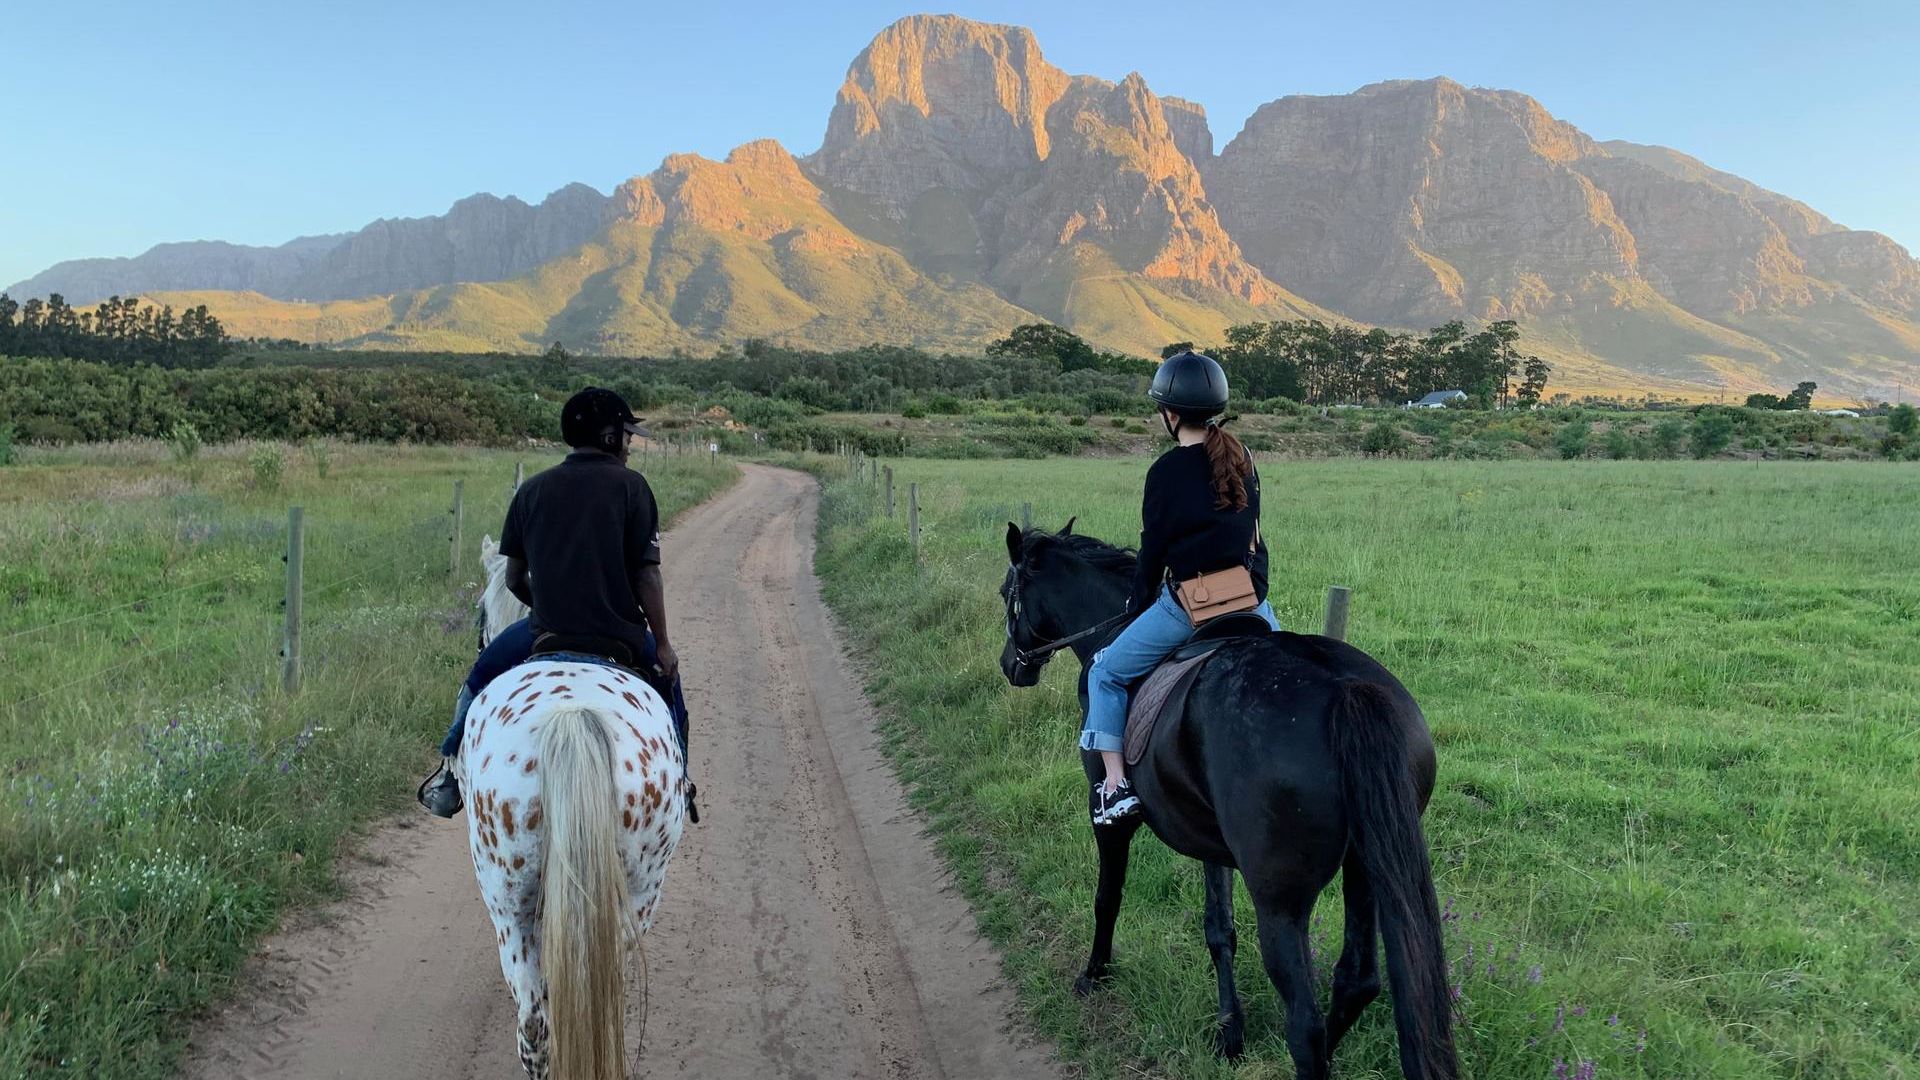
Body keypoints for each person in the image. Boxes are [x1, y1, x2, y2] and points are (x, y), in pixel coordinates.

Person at [418, 386, 691, 817]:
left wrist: (546, 604)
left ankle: (450, 777)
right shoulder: (632, 488)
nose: (629, 446)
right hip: (618, 636)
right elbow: (647, 574)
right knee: (671, 690)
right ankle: (680, 781)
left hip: (542, 631)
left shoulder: (531, 491)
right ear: (608, 438)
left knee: (476, 680)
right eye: (627, 436)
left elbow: (512, 578)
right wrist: (662, 643)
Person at [1080, 351, 1278, 825]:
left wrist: (1136, 604)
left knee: (1104, 672)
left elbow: (1153, 553)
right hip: (1250, 599)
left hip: (1188, 605)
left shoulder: (1165, 472)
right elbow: (1256, 537)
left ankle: (1114, 786)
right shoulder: (1243, 458)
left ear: (1169, 414)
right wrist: (1255, 590)